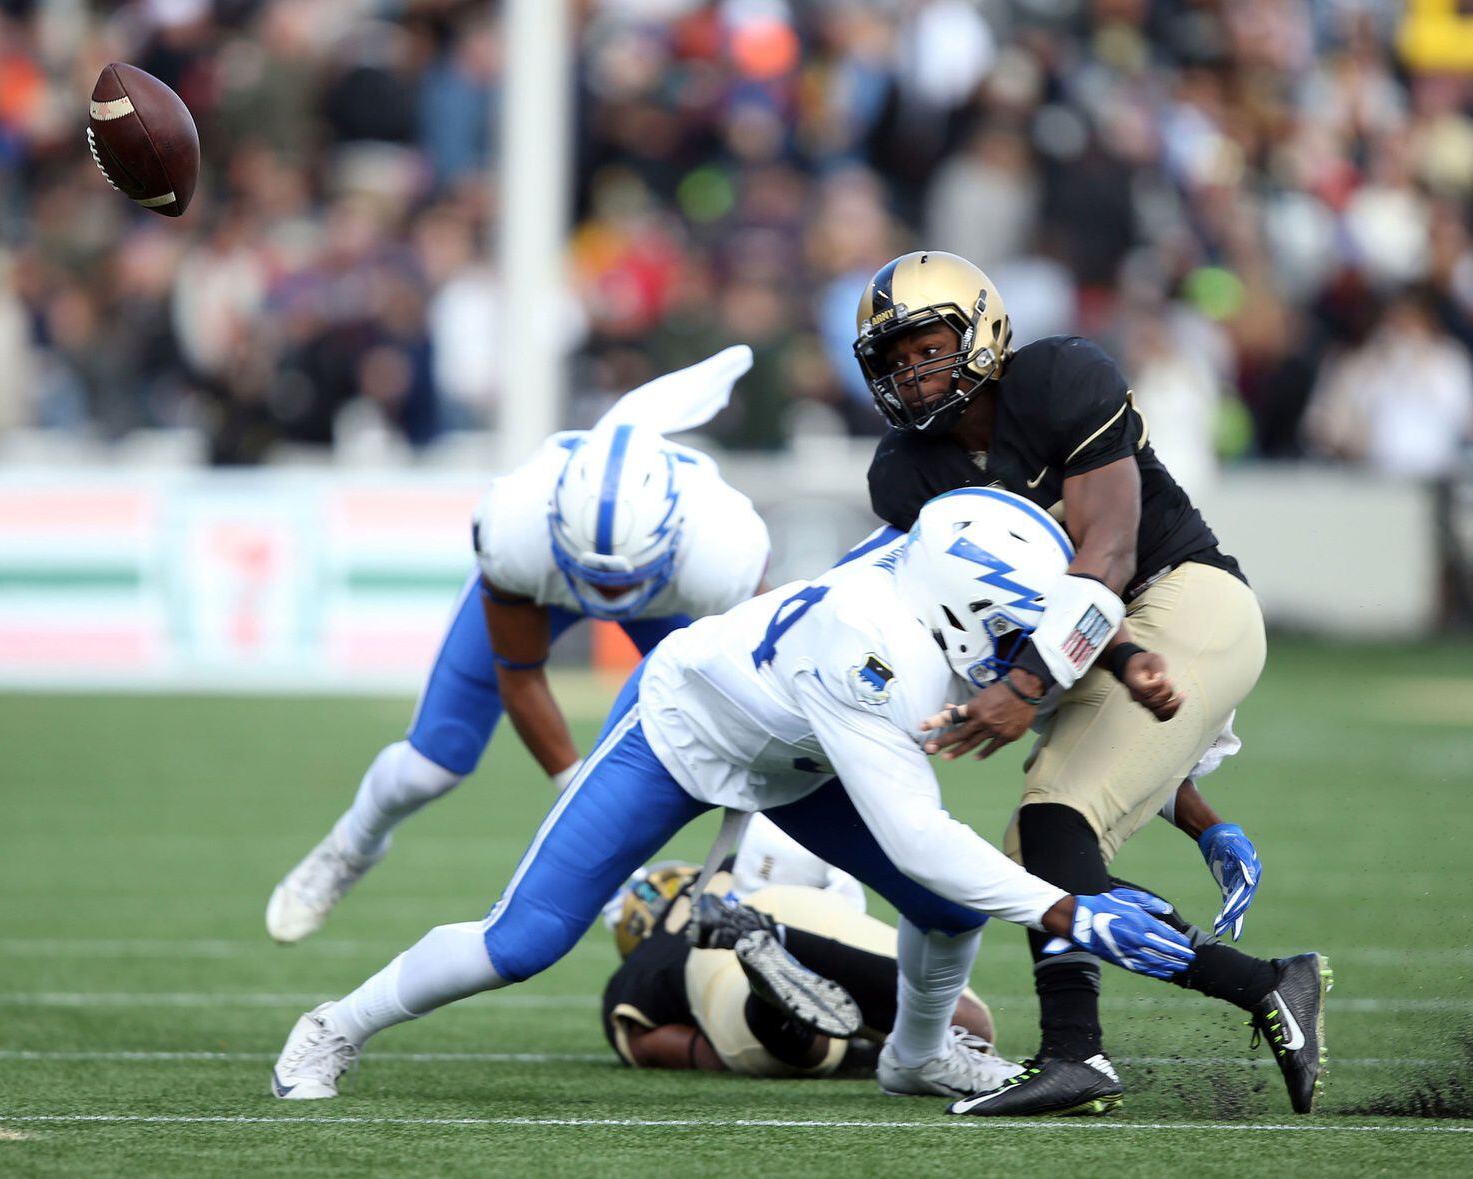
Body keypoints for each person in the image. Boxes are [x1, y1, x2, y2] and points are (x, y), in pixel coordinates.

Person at [268, 489, 1205, 1103]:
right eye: (1008, 631)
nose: (1019, 658)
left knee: (946, 905)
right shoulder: (874, 651)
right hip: (679, 733)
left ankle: (915, 1056)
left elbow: (1068, 661)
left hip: (795, 752)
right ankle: (332, 1027)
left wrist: (1147, 715)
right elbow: (917, 834)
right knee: (524, 940)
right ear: (961, 605)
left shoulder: (920, 576)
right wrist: (1065, 910)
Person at [851, 251, 1328, 1116]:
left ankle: (1088, 1053)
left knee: (1047, 829)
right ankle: (1253, 990)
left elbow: (1104, 558)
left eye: (926, 346)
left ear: (981, 332)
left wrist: (1025, 685)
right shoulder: (904, 474)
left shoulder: (1060, 375)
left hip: (1183, 596)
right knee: (1041, 855)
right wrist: (1198, 816)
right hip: (1098, 649)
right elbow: (1022, 628)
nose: (913, 374)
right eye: (893, 361)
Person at [265, 347, 772, 943]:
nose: (606, 596)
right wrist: (584, 802)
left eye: (621, 579)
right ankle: (350, 847)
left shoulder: (725, 551)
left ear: (674, 538)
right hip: (546, 587)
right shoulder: (515, 526)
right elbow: (521, 675)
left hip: (665, 598)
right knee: (430, 766)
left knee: (735, 725)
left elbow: (758, 700)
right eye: (594, 579)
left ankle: (783, 891)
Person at [598, 822, 1005, 1083]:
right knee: (974, 1033)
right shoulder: (730, 867)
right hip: (794, 905)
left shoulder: (639, 967)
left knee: (802, 1055)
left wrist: (851, 1060)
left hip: (709, 956)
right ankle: (781, 940)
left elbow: (660, 1044)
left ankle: (768, 1003)